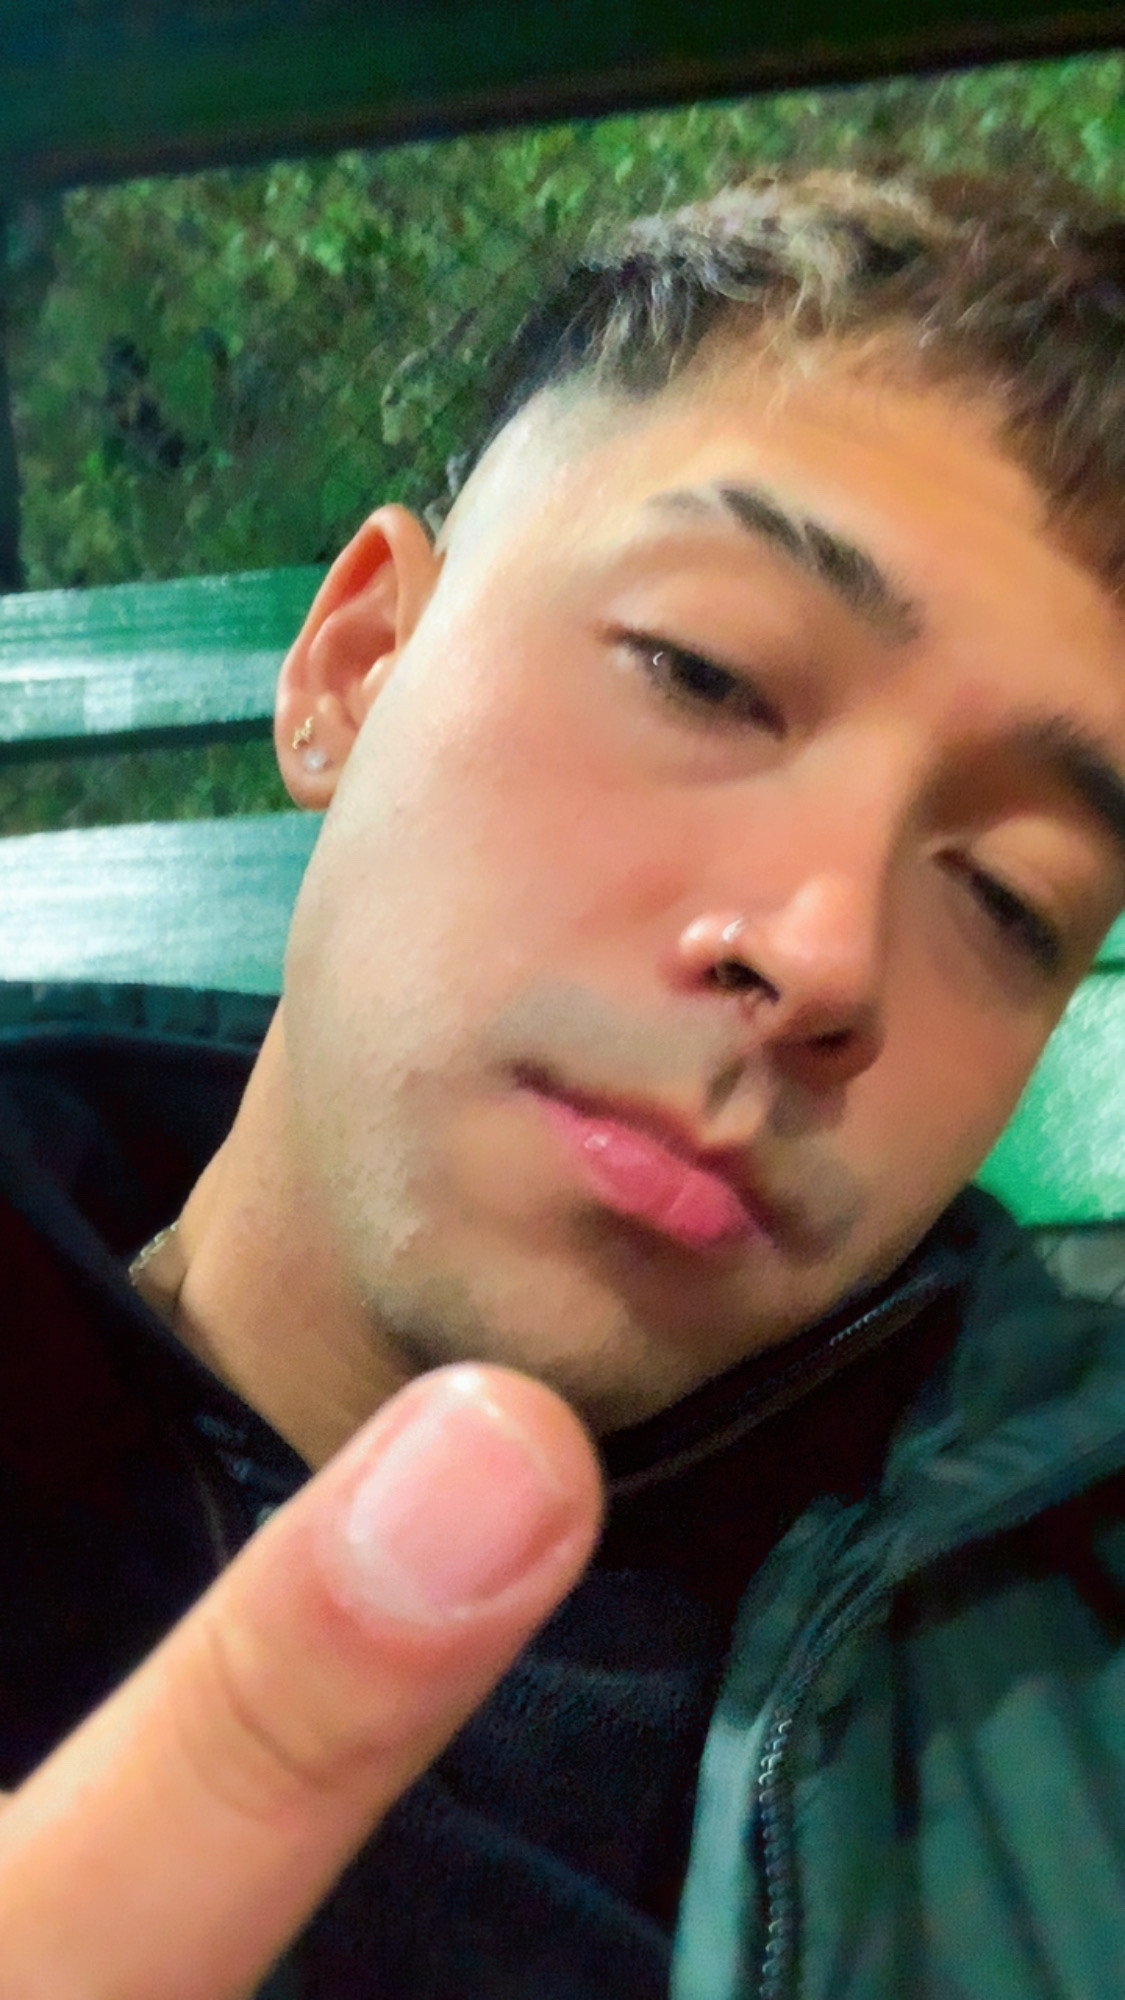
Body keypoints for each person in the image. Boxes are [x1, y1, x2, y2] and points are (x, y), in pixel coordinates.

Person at [1, 163, 1125, 1999]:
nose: (823, 957)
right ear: (356, 666)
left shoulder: (1056, 1692)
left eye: (1010, 901)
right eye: (701, 674)